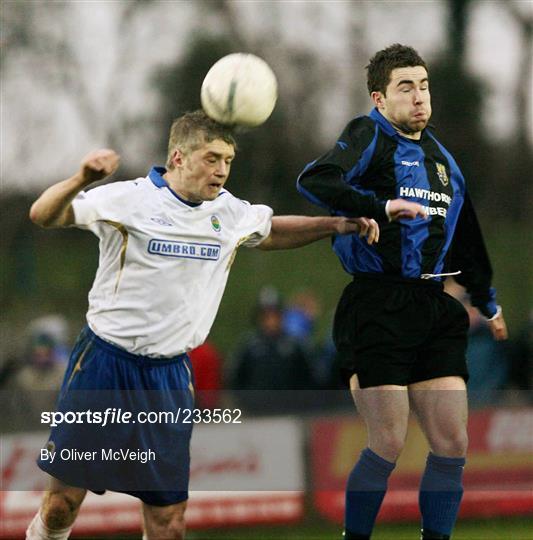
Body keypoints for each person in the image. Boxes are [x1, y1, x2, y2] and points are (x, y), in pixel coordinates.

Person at [26, 110, 381, 540]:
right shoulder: (129, 200)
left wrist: (336, 225)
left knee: (169, 522)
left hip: (169, 377)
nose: (222, 170)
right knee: (62, 505)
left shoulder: (227, 213)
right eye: (212, 158)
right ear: (178, 157)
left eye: (228, 161)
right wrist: (82, 178)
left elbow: (270, 231)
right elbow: (43, 214)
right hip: (104, 365)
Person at [297, 44, 508, 540]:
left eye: (424, 85)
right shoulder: (369, 133)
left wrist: (487, 300)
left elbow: (468, 237)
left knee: (452, 442)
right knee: (388, 441)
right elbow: (316, 178)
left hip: (434, 306)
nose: (419, 97)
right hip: (377, 304)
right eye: (405, 87)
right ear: (380, 97)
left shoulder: (445, 162)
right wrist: (377, 205)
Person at [231, 286, 317, 414]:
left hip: (289, 412)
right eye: (266, 316)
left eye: (274, 315)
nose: (270, 321)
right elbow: (237, 379)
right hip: (257, 412)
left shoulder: (293, 345)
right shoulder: (249, 346)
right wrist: (247, 403)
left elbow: (307, 377)